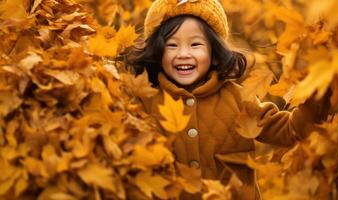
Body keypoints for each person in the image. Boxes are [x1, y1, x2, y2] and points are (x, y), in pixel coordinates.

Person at [122, 0, 324, 199]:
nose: (183, 54)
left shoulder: (237, 98)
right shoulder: (143, 101)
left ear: (215, 52)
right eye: (171, 45)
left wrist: (319, 92)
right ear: (157, 52)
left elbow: (289, 130)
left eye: (195, 44)